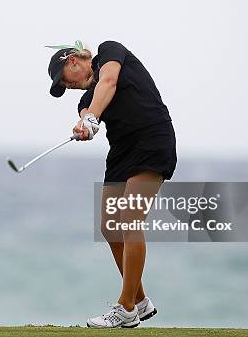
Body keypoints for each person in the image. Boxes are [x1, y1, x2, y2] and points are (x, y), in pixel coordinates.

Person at [47, 40, 177, 328]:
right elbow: (87, 112)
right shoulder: (87, 100)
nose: (66, 86)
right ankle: (141, 301)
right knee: (110, 225)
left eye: (63, 80)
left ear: (73, 61)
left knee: (130, 219)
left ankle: (126, 308)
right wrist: (85, 125)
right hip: (121, 152)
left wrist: (93, 117)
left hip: (152, 139)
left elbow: (109, 81)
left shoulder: (110, 51)